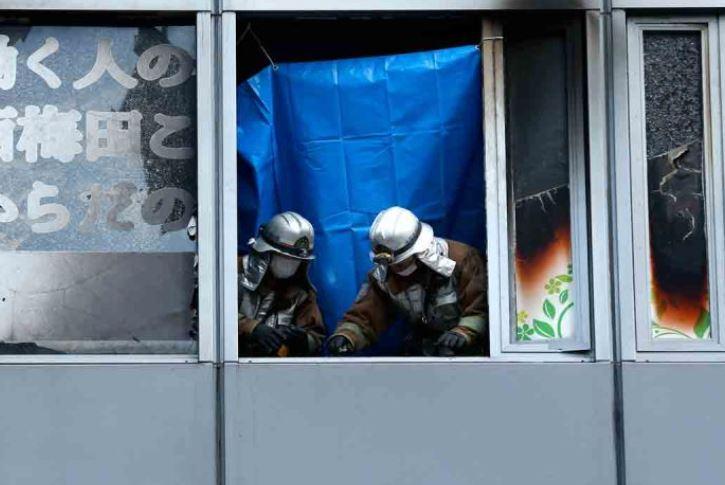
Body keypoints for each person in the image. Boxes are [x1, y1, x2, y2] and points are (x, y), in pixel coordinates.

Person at [327, 207, 487, 357]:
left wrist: (465, 332)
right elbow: (366, 315)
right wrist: (347, 335)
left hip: (470, 355)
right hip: (423, 353)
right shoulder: (384, 276)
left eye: (401, 263)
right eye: (390, 264)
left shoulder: (462, 260)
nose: (395, 269)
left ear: (419, 251)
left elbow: (481, 307)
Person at [238, 212, 326, 357]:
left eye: (296, 260)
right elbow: (206, 316)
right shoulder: (233, 272)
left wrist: (302, 340)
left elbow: (316, 337)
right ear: (265, 252)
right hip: (227, 364)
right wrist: (252, 328)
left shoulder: (301, 293)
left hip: (273, 368)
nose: (290, 265)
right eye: (284, 258)